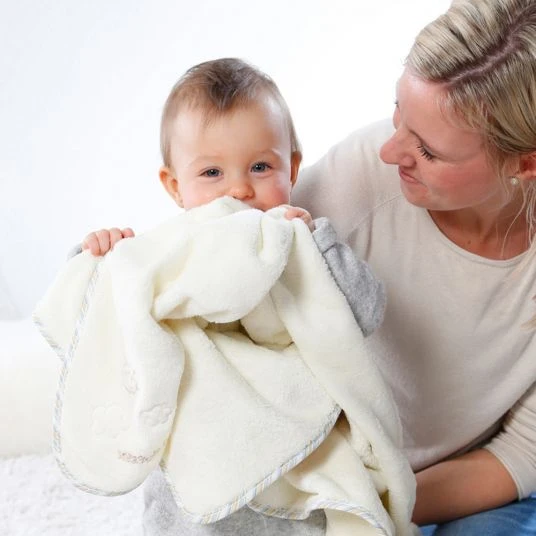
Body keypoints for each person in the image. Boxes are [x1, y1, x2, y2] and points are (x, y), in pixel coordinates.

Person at [71, 58, 417, 536]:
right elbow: (99, 310)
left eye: (260, 166)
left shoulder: (302, 243)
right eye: (211, 172)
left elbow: (366, 312)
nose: (239, 188)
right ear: (175, 186)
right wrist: (101, 255)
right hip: (198, 449)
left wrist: (316, 250)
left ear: (292, 168)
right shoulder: (169, 254)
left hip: (295, 445)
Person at [291, 0, 536, 534]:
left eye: (427, 151)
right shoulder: (357, 179)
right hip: (339, 476)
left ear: (526, 163)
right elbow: (227, 269)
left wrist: (377, 510)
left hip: (470, 479)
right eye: (398, 112)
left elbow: (524, 451)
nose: (390, 151)